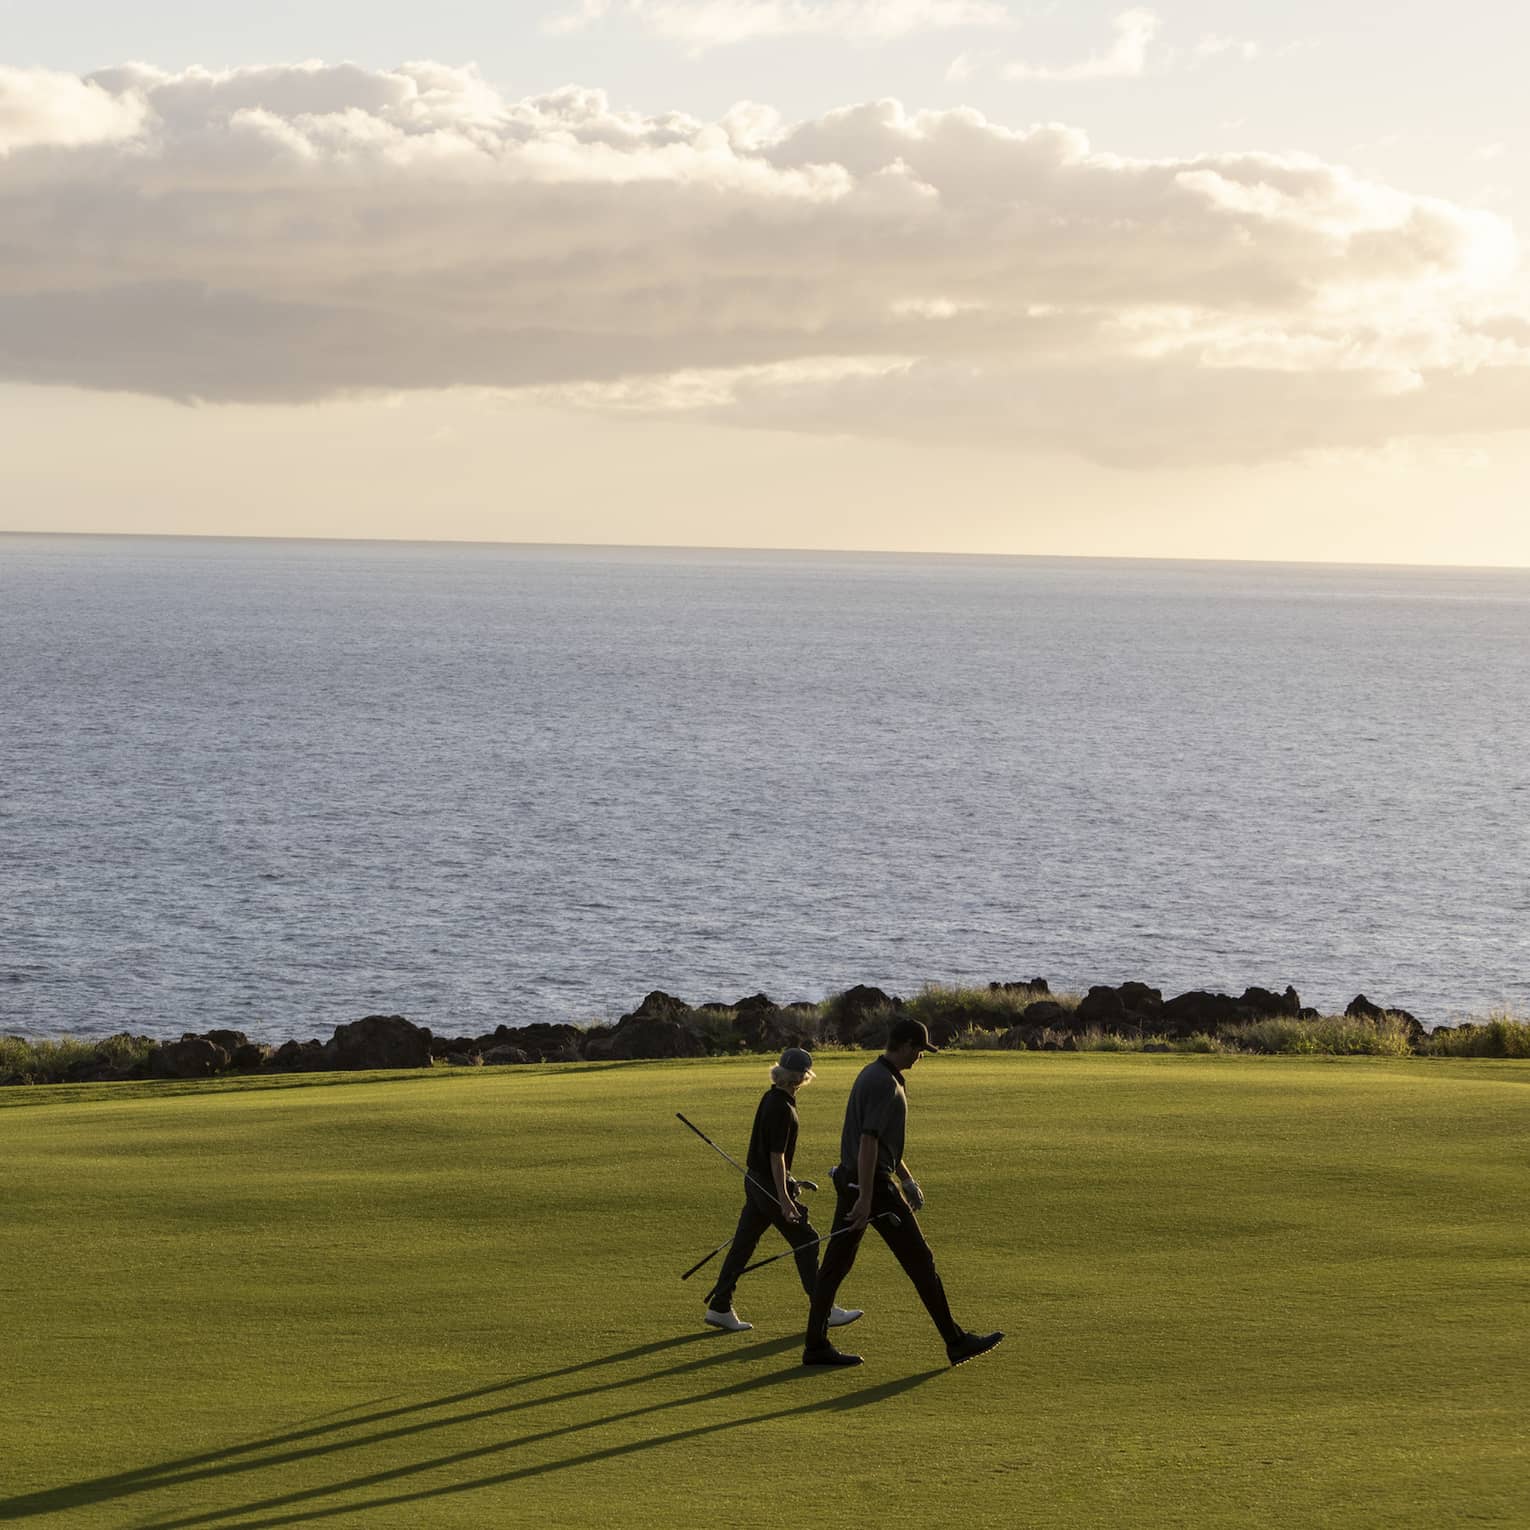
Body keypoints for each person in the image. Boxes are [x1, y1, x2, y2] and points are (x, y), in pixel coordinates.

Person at [802, 1018, 1004, 1368]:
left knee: (836, 1264)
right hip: (872, 1186)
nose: (920, 1058)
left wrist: (907, 1179)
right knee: (920, 1261)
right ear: (907, 1046)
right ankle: (955, 1342)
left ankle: (815, 1345)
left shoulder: (874, 1073)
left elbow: (881, 1144)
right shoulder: (884, 1084)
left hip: (857, 1179)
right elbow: (868, 1142)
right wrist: (866, 1197)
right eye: (920, 1051)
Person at [704, 1047, 863, 1335]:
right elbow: (776, 1157)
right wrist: (785, 1199)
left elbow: (774, 1158)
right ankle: (823, 1310)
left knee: (743, 1244)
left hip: (756, 1182)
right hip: (766, 1185)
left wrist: (789, 1183)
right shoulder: (782, 1108)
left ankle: (720, 1305)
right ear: (803, 1077)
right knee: (808, 1239)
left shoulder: (772, 1097)